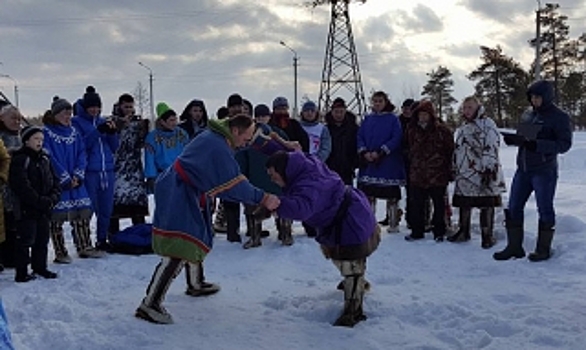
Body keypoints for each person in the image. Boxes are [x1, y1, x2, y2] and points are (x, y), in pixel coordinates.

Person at [135, 114, 280, 325]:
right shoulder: (217, 146)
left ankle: (196, 282)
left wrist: (280, 146)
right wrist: (264, 198)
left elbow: (250, 143)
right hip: (179, 190)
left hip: (187, 188)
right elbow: (235, 185)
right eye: (245, 138)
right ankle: (150, 304)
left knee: (198, 234)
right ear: (236, 131)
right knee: (179, 245)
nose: (245, 144)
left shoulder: (219, 135)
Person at [265, 150, 380, 327]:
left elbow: (302, 208)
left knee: (351, 262)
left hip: (349, 220)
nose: (272, 179)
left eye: (274, 175)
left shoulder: (309, 184)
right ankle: (356, 283)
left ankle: (353, 310)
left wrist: (274, 205)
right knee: (342, 258)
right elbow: (278, 148)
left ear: (284, 170)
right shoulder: (304, 165)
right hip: (344, 215)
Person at [494, 80, 572, 262]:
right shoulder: (528, 114)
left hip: (544, 170)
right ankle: (514, 247)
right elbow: (525, 138)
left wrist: (536, 145)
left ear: (547, 97)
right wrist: (516, 140)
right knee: (513, 207)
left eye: (537, 97)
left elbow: (564, 144)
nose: (534, 101)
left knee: (544, 209)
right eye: (532, 97)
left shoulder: (559, 117)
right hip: (523, 169)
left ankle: (543, 249)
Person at [43, 97, 104, 262]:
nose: (68, 117)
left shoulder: (74, 133)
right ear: (55, 114)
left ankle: (85, 246)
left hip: (76, 182)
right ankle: (60, 251)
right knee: (57, 219)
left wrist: (78, 175)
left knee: (82, 215)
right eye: (64, 113)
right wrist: (63, 177)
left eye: (70, 114)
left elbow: (81, 154)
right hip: (58, 182)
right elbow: (49, 156)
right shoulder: (46, 133)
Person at [448, 97, 506, 248]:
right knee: (464, 203)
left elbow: (491, 147)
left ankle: (487, 236)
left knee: (486, 203)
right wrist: (454, 166)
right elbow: (458, 148)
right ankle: (463, 231)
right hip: (464, 171)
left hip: (483, 171)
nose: (467, 111)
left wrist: (488, 168)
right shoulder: (463, 127)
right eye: (465, 107)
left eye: (470, 107)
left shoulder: (488, 124)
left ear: (478, 107)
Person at [9, 125, 61, 282]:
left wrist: (53, 197)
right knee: (25, 240)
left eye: (41, 139)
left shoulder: (45, 158)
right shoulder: (21, 159)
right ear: (26, 141)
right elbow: (21, 185)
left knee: (42, 240)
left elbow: (55, 180)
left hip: (44, 208)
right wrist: (38, 201)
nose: (39, 142)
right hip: (26, 209)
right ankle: (22, 272)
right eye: (36, 139)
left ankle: (40, 267)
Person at [72, 86, 119, 251]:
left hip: (107, 170)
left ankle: (101, 239)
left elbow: (114, 148)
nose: (95, 110)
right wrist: (97, 132)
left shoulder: (102, 121)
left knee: (106, 208)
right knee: (87, 208)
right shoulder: (76, 123)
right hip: (90, 171)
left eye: (97, 107)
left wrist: (112, 133)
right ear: (85, 107)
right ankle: (82, 240)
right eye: (91, 107)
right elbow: (81, 145)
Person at [404, 100, 454, 242]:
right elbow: (406, 147)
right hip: (417, 173)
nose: (423, 117)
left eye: (425, 114)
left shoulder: (442, 131)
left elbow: (450, 150)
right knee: (417, 204)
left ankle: (439, 231)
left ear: (431, 115)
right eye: (420, 114)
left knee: (439, 204)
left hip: (437, 173)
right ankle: (417, 230)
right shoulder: (411, 130)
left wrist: (447, 169)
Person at [357, 91, 405, 233]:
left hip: (388, 162)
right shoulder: (367, 119)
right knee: (369, 195)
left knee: (391, 195)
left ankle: (393, 222)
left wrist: (382, 151)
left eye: (380, 101)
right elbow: (359, 136)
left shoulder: (393, 119)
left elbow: (397, 137)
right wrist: (364, 152)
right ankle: (370, 223)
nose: (377, 104)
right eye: (375, 101)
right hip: (370, 163)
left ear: (386, 102)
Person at [109, 94, 150, 235]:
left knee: (137, 202)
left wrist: (144, 131)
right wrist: (121, 124)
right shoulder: (112, 121)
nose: (128, 110)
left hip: (134, 167)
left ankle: (140, 233)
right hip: (117, 167)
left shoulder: (137, 123)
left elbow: (141, 143)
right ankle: (113, 235)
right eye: (126, 107)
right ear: (119, 106)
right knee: (115, 202)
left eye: (131, 107)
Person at [144, 102, 190, 193]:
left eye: (175, 120)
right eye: (171, 120)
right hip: (162, 176)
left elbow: (188, 152)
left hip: (180, 174)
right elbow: (149, 158)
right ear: (162, 121)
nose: (174, 123)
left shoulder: (182, 134)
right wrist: (151, 176)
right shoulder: (152, 137)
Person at [0, 105, 22, 268]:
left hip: (20, 186)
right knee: (6, 222)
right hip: (4, 186)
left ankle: (17, 254)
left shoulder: (22, 135)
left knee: (17, 221)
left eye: (19, 118)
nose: (17, 121)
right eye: (13, 118)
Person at [325, 98, 359, 186]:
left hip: (347, 168)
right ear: (332, 112)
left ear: (345, 112)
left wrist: (354, 163)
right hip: (329, 168)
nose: (338, 114)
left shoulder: (353, 128)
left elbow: (357, 146)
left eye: (341, 112)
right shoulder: (326, 129)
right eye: (336, 112)